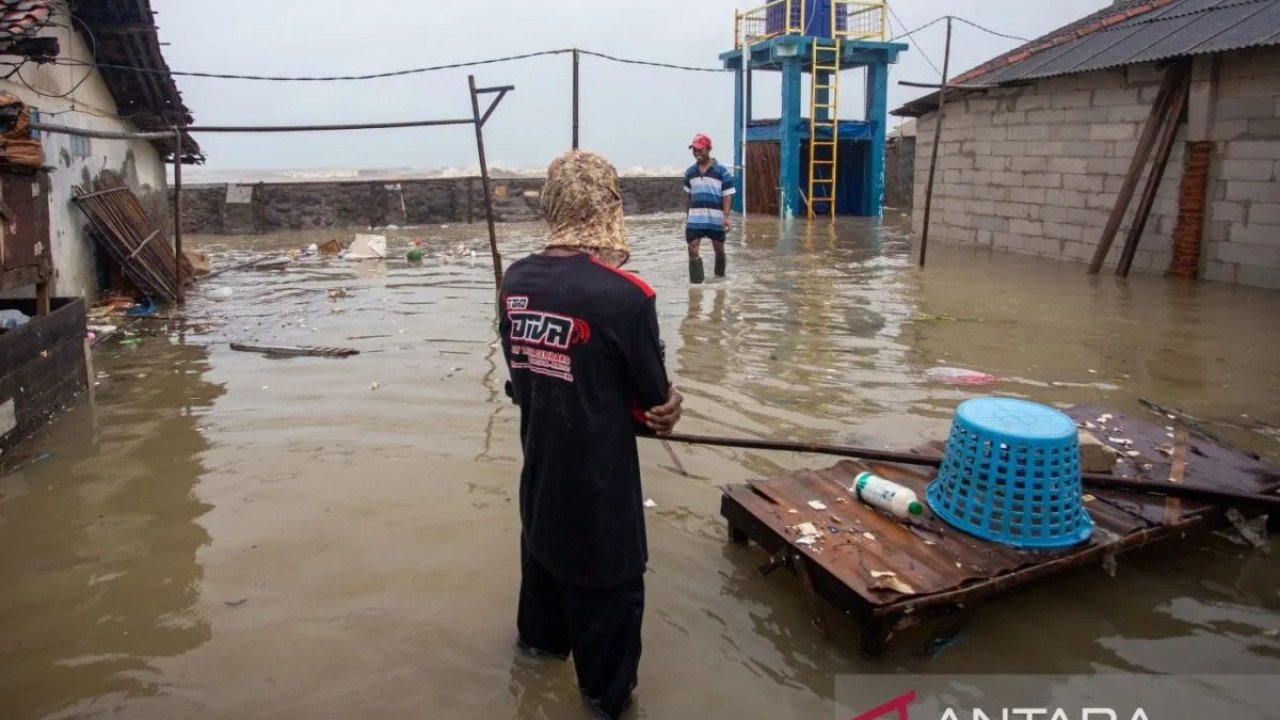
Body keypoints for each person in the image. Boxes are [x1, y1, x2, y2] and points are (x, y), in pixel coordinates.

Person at [498, 149, 684, 720]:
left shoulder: (515, 280)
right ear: (608, 206)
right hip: (602, 517)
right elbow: (651, 403)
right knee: (607, 696)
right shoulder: (628, 296)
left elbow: (523, 380)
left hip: (540, 502)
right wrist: (669, 407)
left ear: (553, 204)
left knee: (538, 652)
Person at [683, 133, 735, 284]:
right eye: (694, 150)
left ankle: (720, 280)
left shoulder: (722, 171)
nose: (697, 153)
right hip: (695, 219)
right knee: (692, 250)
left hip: (715, 219)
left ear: (709, 149)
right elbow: (688, 196)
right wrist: (688, 217)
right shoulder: (689, 172)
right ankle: (696, 287)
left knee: (719, 251)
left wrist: (726, 217)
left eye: (700, 149)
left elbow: (727, 196)